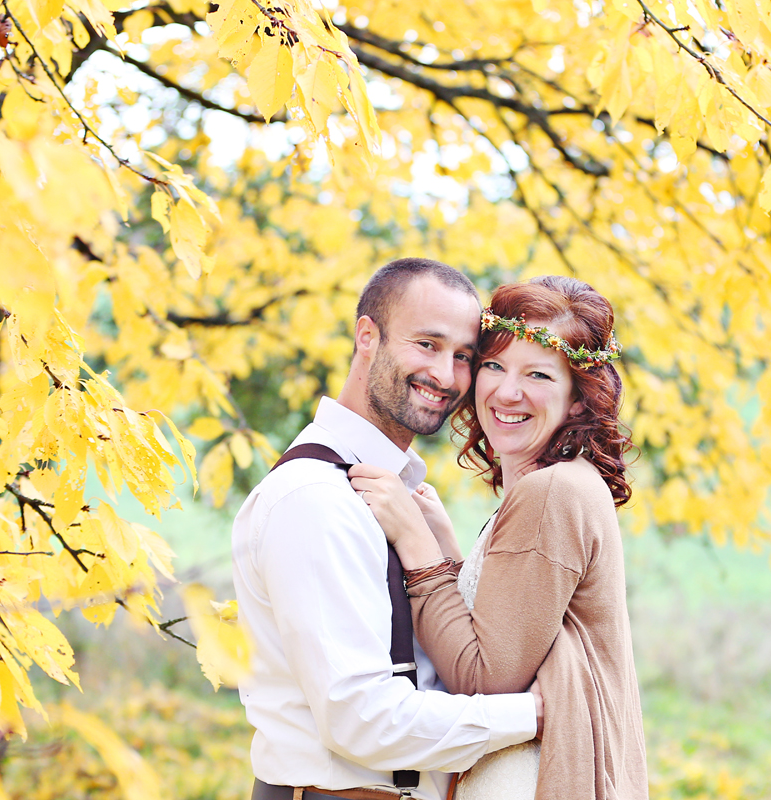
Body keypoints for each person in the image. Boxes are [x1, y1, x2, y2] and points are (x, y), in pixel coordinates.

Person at [232, 258, 542, 800]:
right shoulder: (316, 499)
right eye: (427, 344)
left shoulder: (396, 499)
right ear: (367, 336)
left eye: (463, 356)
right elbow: (363, 721)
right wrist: (538, 711)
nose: (446, 377)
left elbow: (432, 671)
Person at [349, 276, 648, 799]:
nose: (507, 392)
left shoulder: (551, 493)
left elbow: (484, 677)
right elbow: (516, 630)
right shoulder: (558, 484)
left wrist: (415, 543)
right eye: (494, 365)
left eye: (538, 374)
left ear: (579, 400)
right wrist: (449, 548)